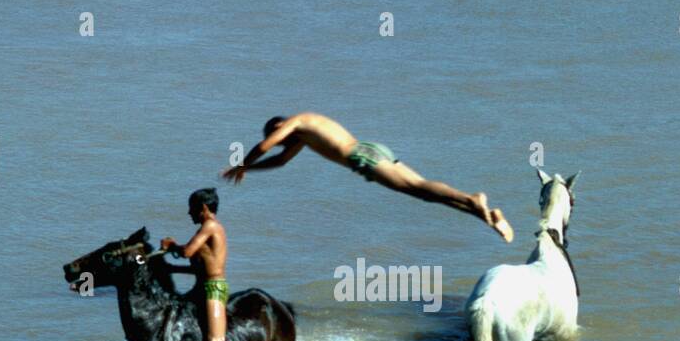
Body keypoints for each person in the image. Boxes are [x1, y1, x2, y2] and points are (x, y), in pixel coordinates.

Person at [220, 112, 514, 242]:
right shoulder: (305, 134)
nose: (285, 142)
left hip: (362, 157)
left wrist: (242, 163)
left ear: (279, 125)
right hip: (371, 149)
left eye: (281, 136)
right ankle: (485, 215)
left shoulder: (297, 121)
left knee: (418, 187)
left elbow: (266, 147)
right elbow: (281, 160)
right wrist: (250, 169)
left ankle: (471, 198)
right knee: (424, 193)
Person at [160, 188, 246, 341]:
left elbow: (187, 252)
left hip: (213, 289)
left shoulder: (210, 226)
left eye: (192, 208)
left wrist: (171, 246)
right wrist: (170, 269)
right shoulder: (206, 230)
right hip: (200, 287)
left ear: (204, 208)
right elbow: (198, 269)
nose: (189, 213)